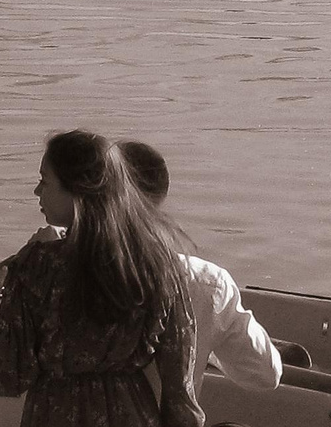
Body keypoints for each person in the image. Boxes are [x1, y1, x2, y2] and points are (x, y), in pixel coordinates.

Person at [0, 131, 201, 427]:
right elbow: (178, 364)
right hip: (130, 425)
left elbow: (11, 371)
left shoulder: (39, 264)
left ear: (78, 190)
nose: (36, 191)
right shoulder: (155, 260)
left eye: (45, 181)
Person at [116, 141, 283, 392]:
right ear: (160, 197)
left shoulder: (53, 267)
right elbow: (265, 376)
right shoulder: (206, 283)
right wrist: (210, 344)